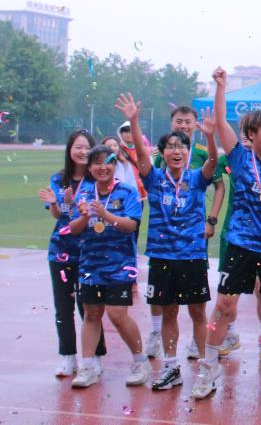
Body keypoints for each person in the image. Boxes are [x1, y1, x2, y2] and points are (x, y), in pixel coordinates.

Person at [193, 68, 261, 401]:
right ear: (251, 134)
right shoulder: (240, 158)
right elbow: (221, 123)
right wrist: (221, 87)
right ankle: (208, 368)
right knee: (224, 306)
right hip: (240, 245)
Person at [116, 93, 218, 390]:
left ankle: (206, 370)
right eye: (170, 146)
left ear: (187, 151)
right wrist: (134, 121)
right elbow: (140, 156)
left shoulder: (196, 178)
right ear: (162, 153)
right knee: (169, 312)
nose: (176, 151)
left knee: (198, 312)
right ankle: (172, 367)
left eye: (181, 146)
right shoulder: (154, 178)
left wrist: (210, 137)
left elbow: (213, 162)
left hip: (192, 255)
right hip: (162, 257)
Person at [65, 145, 148, 389]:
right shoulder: (83, 193)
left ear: (114, 165)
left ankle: (140, 361)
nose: (102, 167)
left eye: (107, 162)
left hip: (120, 265)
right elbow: (73, 229)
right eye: (97, 163)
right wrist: (84, 216)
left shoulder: (128, 192)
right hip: (90, 264)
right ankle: (88, 367)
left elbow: (131, 225)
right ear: (90, 168)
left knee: (117, 314)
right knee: (91, 314)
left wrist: (104, 214)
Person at [149, 105, 224, 361]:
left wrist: (211, 220)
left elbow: (218, 183)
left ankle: (201, 352)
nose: (183, 126)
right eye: (178, 121)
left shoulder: (201, 154)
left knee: (197, 308)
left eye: (188, 122)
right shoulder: (161, 156)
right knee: (166, 306)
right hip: (164, 245)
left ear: (195, 125)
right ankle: (161, 345)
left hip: (192, 243)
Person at [38, 129, 107, 378]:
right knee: (63, 307)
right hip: (61, 251)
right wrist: (58, 204)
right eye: (77, 147)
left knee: (89, 307)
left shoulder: (97, 179)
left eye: (87, 147)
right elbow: (59, 215)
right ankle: (67, 356)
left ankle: (95, 356)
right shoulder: (59, 179)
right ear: (69, 150)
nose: (82, 151)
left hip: (90, 252)